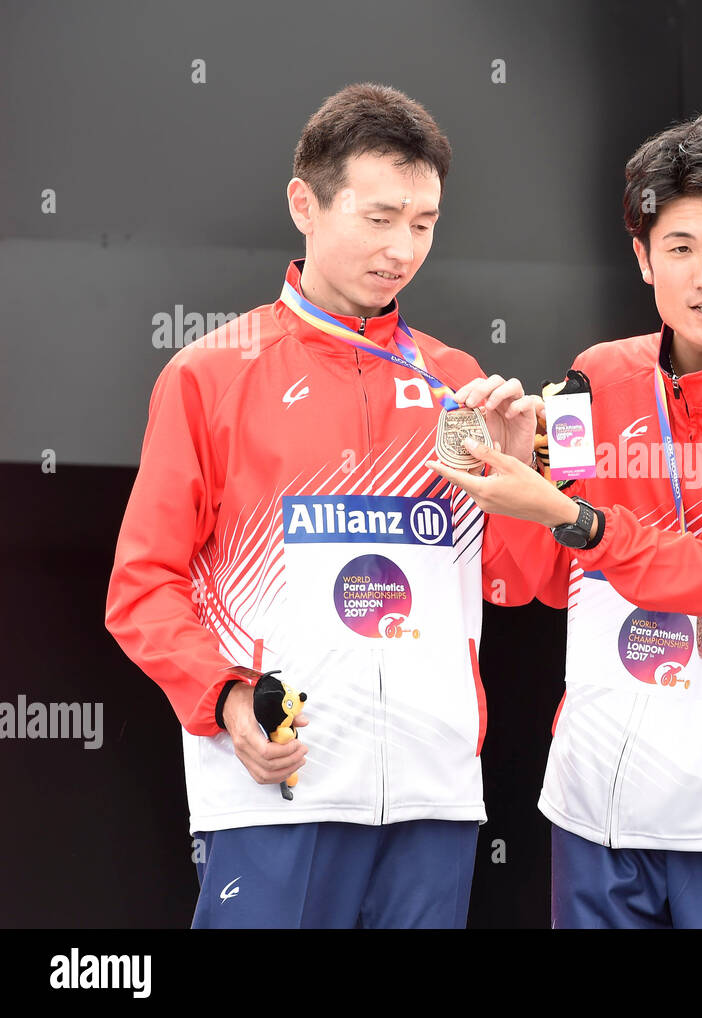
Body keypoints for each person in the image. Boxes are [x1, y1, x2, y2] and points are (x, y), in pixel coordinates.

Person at [105, 82, 536, 928]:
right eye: (379, 218)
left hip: (432, 797)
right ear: (305, 203)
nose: (402, 249)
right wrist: (230, 700)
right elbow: (141, 587)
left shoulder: (457, 385)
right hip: (277, 790)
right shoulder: (209, 374)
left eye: (424, 223)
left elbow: (517, 584)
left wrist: (521, 483)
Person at [430, 113, 702, 928]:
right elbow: (533, 583)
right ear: (642, 256)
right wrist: (519, 470)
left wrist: (564, 510)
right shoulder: (600, 376)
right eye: (681, 247)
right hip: (599, 809)